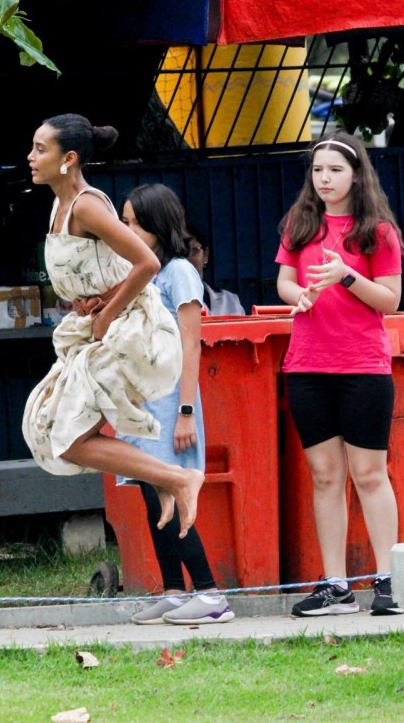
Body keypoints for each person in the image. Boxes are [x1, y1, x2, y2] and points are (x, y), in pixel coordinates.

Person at [21, 114, 204, 539]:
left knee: (70, 438)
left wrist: (106, 313)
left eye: (40, 149)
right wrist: (98, 300)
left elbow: (148, 263)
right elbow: (111, 269)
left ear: (68, 158)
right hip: (94, 327)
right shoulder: (59, 205)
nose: (31, 157)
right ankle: (166, 480)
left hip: (127, 331)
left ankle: (177, 478)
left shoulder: (87, 206)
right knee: (48, 425)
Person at [275, 131, 404, 617]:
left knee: (369, 474)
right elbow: (285, 280)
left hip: (362, 367)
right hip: (307, 365)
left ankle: (389, 579)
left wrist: (345, 276)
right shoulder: (299, 222)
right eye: (317, 170)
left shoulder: (378, 231)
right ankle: (336, 586)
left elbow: (390, 300)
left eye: (335, 170)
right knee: (325, 476)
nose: (324, 179)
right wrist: (301, 297)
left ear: (356, 175)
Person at [120, 184, 235, 626]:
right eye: (125, 222)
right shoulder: (141, 271)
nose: (128, 230)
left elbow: (192, 344)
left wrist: (186, 412)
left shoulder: (180, 272)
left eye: (136, 223)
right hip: (140, 401)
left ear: (158, 224)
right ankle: (173, 591)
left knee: (170, 492)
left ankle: (210, 593)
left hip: (171, 403)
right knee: (152, 497)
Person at [184, 224, 244, 316]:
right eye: (182, 252)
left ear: (205, 255)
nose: (188, 258)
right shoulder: (165, 303)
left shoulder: (230, 301)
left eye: (194, 250)